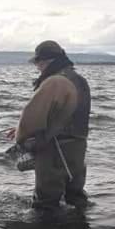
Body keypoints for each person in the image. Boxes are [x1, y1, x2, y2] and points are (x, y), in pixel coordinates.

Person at [7, 40, 91, 210]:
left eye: (37, 63)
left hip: (55, 152)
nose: (37, 67)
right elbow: (68, 114)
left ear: (44, 61)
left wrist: (20, 137)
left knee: (45, 204)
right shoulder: (79, 80)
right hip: (77, 150)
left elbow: (30, 118)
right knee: (75, 198)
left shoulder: (54, 82)